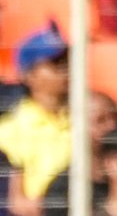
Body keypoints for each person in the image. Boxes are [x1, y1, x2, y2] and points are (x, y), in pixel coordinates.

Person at [0, 24, 70, 215]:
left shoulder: (86, 119)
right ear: (29, 75)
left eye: (67, 61)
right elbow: (15, 201)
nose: (65, 68)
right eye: (55, 63)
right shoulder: (9, 130)